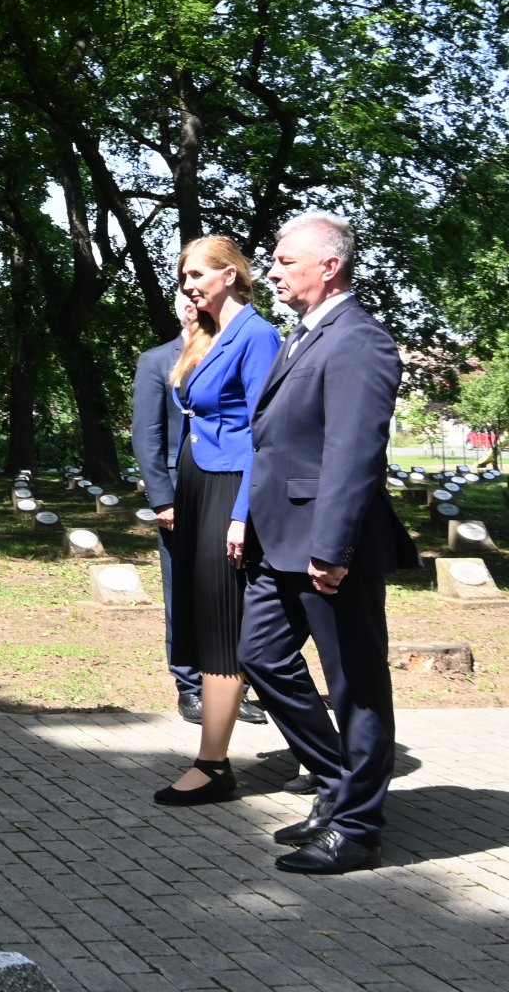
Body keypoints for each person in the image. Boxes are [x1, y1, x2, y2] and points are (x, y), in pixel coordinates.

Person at [241, 213, 413, 874]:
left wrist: (332, 548)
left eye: (285, 261)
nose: (275, 270)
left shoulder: (358, 340)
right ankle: (340, 784)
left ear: (328, 266)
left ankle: (359, 829)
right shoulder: (304, 337)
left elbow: (353, 452)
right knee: (258, 654)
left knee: (357, 688)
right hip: (279, 542)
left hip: (327, 547)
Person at [154, 236, 282, 807]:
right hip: (197, 484)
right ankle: (291, 749)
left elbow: (265, 434)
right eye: (183, 277)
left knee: (225, 625)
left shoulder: (257, 335)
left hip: (229, 487)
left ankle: (213, 766)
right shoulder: (207, 336)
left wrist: (241, 515)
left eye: (197, 275)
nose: (188, 286)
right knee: (206, 620)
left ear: (230, 275)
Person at [132, 294, 203, 720]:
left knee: (235, 593)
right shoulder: (157, 360)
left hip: (227, 490)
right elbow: (147, 434)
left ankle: (234, 684)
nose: (193, 305)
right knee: (183, 590)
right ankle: (189, 682)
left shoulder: (230, 350)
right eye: (186, 299)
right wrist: (162, 497)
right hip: (180, 493)